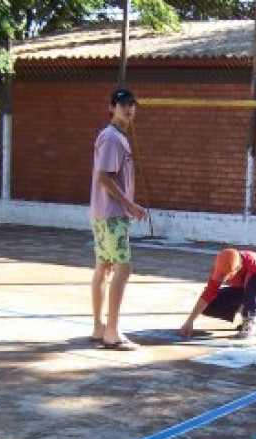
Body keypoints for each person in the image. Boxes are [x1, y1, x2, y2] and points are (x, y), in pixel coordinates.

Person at [89, 87, 148, 351]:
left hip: (102, 213)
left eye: (131, 104)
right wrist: (130, 205)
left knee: (103, 268)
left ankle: (99, 327)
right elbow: (104, 177)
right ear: (111, 107)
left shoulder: (113, 136)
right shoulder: (113, 138)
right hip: (112, 215)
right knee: (123, 269)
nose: (129, 108)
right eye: (123, 104)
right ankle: (111, 332)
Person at [179, 248, 256, 340]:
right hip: (242, 291)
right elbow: (207, 295)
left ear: (238, 268)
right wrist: (190, 321)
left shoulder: (253, 262)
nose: (223, 278)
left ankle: (252, 318)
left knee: (252, 278)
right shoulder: (219, 266)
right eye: (221, 274)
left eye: (227, 275)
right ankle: (244, 309)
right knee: (208, 305)